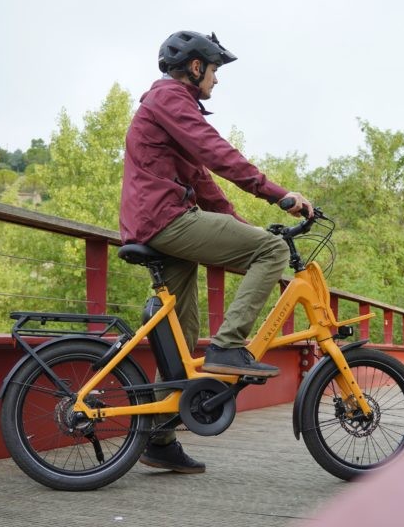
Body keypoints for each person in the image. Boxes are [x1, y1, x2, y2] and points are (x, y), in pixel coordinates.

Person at [119, 30, 313, 474]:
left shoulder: (166, 107)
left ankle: (159, 440)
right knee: (271, 251)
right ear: (195, 67)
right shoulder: (171, 99)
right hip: (164, 220)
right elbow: (216, 152)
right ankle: (228, 348)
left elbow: (203, 180)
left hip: (156, 221)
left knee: (180, 342)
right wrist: (277, 195)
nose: (217, 80)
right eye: (215, 70)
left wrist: (239, 228)